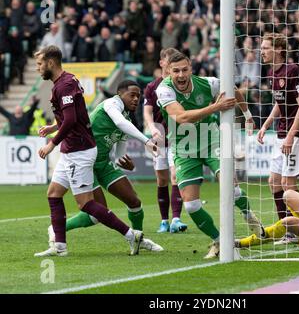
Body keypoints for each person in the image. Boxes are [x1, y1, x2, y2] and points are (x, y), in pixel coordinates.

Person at [33, 45, 143, 257]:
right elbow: (77, 115)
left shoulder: (64, 85)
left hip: (79, 151)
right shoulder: (67, 81)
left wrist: (51, 143)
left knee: (85, 203)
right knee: (54, 194)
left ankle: (131, 235)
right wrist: (53, 127)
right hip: (71, 150)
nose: (38, 68)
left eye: (40, 64)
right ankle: (60, 247)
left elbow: (72, 120)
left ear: (51, 62)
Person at [156, 52, 262, 259]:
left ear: (191, 69)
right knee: (191, 205)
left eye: (184, 70)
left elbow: (233, 91)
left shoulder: (209, 83)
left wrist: (248, 116)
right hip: (184, 148)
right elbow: (181, 117)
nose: (180, 75)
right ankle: (220, 240)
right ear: (168, 71)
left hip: (212, 140)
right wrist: (215, 107)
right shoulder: (164, 90)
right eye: (176, 71)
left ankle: (249, 215)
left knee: (230, 187)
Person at [47, 80, 163, 252]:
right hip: (85, 161)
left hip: (103, 163)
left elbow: (118, 154)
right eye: (132, 95)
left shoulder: (128, 118)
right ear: (119, 94)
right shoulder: (110, 104)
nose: (136, 99)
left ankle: (138, 239)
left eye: (138, 96)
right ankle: (58, 228)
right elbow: (120, 123)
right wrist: (146, 141)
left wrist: (126, 163)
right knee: (97, 214)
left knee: (134, 201)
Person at [256, 33, 299, 245]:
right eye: (261, 47)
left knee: (289, 185)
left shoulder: (293, 70)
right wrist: (266, 124)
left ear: (278, 50)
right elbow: (280, 103)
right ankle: (287, 228)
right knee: (274, 182)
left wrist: (290, 136)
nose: (262, 51)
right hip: (283, 133)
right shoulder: (271, 72)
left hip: (297, 134)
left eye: (266, 48)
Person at [144, 47, 188, 233]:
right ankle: (164, 220)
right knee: (161, 180)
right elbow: (147, 111)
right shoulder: (152, 87)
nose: (174, 67)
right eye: (170, 63)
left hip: (178, 138)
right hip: (160, 139)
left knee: (175, 176)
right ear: (162, 63)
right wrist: (152, 128)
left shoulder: (181, 84)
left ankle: (176, 219)